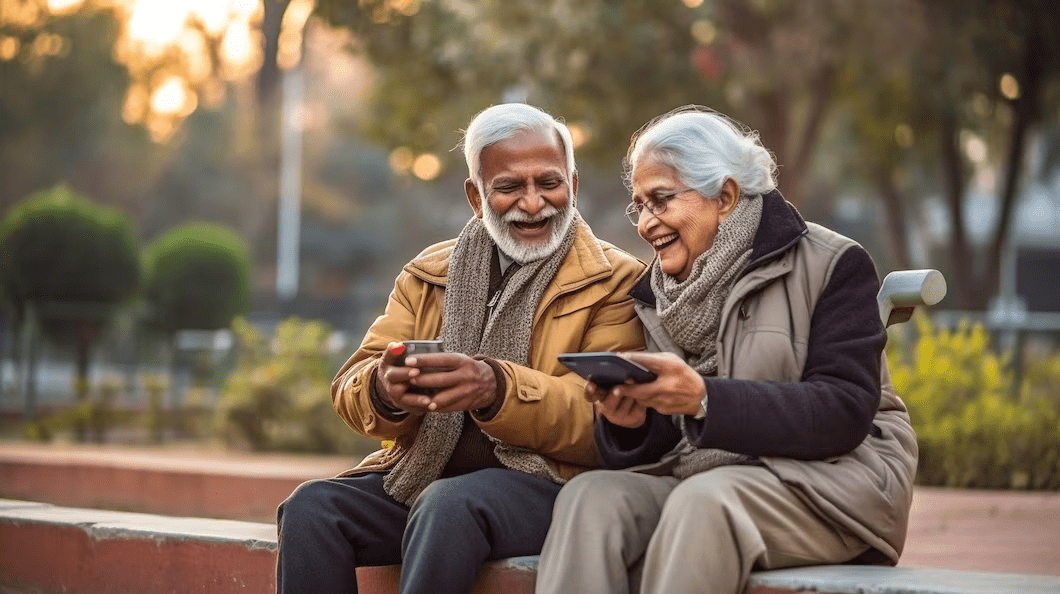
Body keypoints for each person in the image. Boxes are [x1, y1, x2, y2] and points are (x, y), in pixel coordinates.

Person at [535, 106, 917, 594]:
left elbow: (844, 411)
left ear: (726, 196)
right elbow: (669, 436)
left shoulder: (833, 263)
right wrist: (633, 422)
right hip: (709, 476)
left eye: (661, 200)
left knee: (705, 502)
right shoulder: (658, 295)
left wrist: (705, 399)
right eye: (640, 206)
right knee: (590, 499)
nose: (646, 224)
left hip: (835, 487)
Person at [275, 103, 646, 594]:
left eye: (549, 183)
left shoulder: (617, 281)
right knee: (312, 508)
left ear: (573, 186)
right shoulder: (429, 272)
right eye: (510, 187)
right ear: (476, 195)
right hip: (423, 473)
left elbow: (598, 423)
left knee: (448, 504)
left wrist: (496, 389)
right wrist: (385, 390)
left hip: (551, 483)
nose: (534, 203)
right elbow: (352, 383)